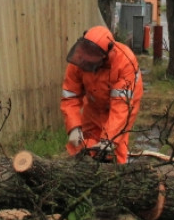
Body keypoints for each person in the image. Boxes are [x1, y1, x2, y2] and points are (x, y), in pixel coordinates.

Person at [60, 25, 143, 164]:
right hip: (93, 104)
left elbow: (121, 108)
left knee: (115, 148)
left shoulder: (125, 62)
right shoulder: (80, 58)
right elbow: (70, 96)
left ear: (106, 53)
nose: (87, 63)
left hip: (124, 104)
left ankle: (115, 175)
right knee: (84, 143)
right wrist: (73, 127)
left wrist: (109, 140)